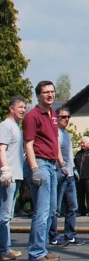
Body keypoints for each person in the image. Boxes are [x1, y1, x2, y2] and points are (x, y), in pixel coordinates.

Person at [24, 81, 63, 261]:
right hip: (39, 163)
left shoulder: (53, 113)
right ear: (38, 95)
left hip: (51, 164)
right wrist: (34, 169)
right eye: (46, 92)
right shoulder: (33, 116)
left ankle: (42, 249)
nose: (50, 95)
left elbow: (54, 141)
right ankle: (36, 252)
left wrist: (61, 163)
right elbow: (28, 144)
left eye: (52, 91)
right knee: (42, 211)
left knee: (52, 210)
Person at [0, 95, 27, 261]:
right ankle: (4, 250)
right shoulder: (6, 125)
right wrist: (5, 170)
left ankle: (6, 248)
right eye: (20, 107)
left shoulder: (17, 127)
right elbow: (1, 149)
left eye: (25, 107)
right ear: (11, 108)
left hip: (16, 175)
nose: (23, 110)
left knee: (8, 214)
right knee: (4, 215)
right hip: (8, 176)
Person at [48, 110, 77, 246]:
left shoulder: (65, 134)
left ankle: (70, 236)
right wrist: (62, 166)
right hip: (60, 172)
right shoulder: (56, 133)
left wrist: (73, 168)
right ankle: (53, 237)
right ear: (56, 118)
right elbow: (56, 150)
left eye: (68, 116)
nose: (66, 119)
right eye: (63, 117)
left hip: (70, 174)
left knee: (72, 207)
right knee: (55, 207)